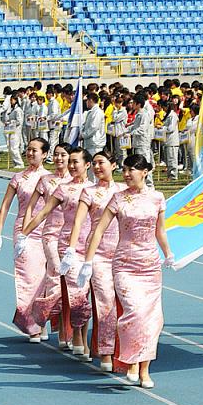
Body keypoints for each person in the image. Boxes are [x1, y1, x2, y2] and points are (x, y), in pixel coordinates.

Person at [78, 154, 174, 388]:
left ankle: (144, 370)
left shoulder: (157, 198)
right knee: (134, 312)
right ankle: (131, 362)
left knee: (153, 319)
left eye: (132, 169)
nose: (127, 174)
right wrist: (87, 262)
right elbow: (98, 230)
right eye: (125, 169)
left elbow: (159, 231)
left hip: (150, 265)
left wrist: (169, 254)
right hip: (124, 265)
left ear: (146, 171)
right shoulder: (117, 199)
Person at [19, 147, 93, 359]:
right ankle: (74, 335)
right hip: (67, 245)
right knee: (76, 290)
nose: (70, 165)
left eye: (75, 161)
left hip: (90, 246)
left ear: (86, 164)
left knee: (84, 292)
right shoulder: (62, 189)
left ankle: (74, 330)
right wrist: (24, 234)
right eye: (69, 161)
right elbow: (42, 212)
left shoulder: (94, 189)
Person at [62, 150, 127, 371]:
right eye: (96, 164)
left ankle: (126, 352)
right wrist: (71, 251)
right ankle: (106, 353)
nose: (98, 167)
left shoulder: (123, 191)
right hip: (97, 255)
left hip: (123, 255)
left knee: (126, 305)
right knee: (105, 302)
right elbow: (78, 223)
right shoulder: (89, 193)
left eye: (102, 163)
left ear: (114, 165)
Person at [0, 138, 52, 341]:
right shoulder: (18, 178)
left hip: (46, 231)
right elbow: (5, 206)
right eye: (28, 149)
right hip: (23, 232)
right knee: (28, 277)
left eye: (35, 150)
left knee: (45, 279)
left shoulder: (51, 178)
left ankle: (41, 323)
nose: (30, 153)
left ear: (44, 154)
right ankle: (30, 325)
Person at [22, 142, 72, 347]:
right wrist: (23, 234)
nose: (59, 159)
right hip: (51, 236)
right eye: (57, 155)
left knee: (70, 285)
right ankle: (39, 320)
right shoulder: (46, 181)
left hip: (72, 238)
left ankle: (64, 332)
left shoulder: (78, 183)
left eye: (64, 155)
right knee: (55, 281)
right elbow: (33, 209)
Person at [159, 100, 180, 179]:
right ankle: (169, 175)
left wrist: (162, 128)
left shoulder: (173, 116)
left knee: (172, 159)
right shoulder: (168, 115)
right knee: (168, 160)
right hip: (167, 141)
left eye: (163, 107)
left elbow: (171, 128)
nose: (163, 109)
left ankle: (173, 175)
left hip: (172, 141)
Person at [4, 95, 25, 168]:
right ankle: (15, 162)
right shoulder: (12, 109)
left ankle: (20, 163)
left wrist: (11, 122)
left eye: (12, 100)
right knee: (10, 147)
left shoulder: (18, 110)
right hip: (11, 130)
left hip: (16, 131)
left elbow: (19, 121)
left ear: (15, 100)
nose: (10, 101)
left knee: (14, 147)